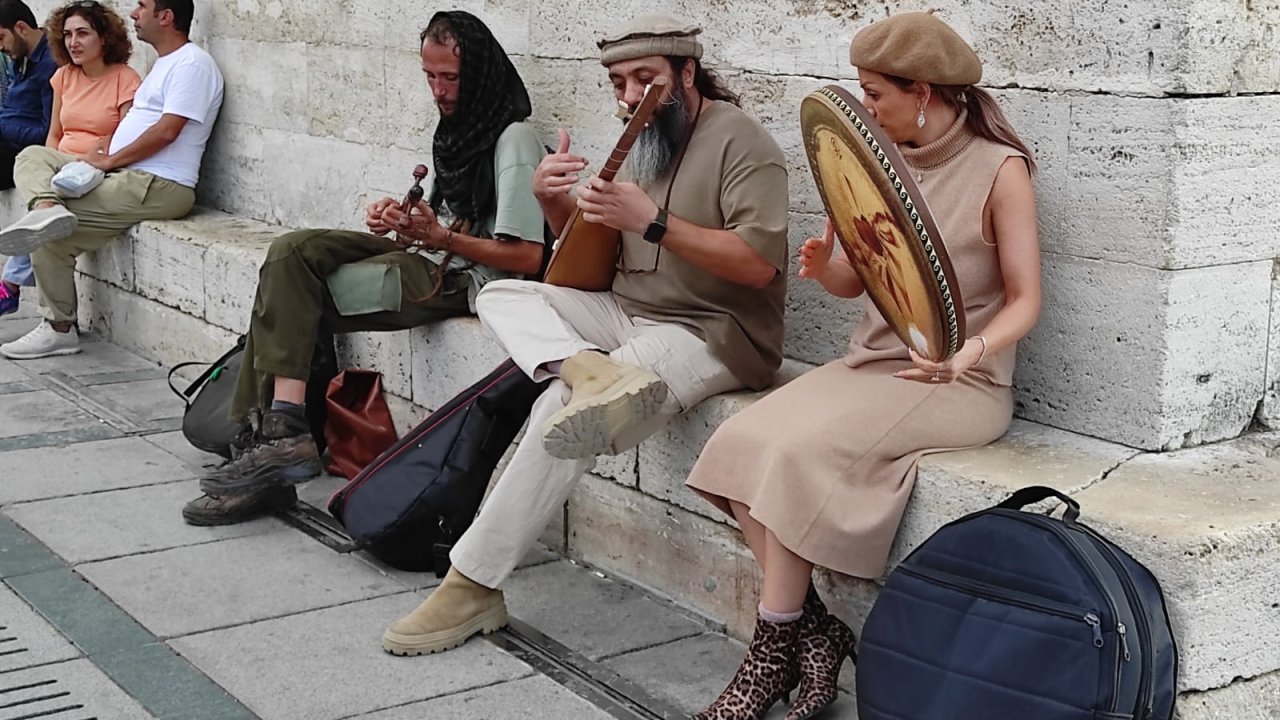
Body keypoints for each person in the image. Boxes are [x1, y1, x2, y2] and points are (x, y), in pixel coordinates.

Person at [381, 14, 790, 659]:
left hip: (712, 331)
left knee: (559, 411)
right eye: (618, 82)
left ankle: (471, 584)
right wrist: (555, 205)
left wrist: (653, 222)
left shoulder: (742, 140)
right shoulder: (646, 136)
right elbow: (591, 266)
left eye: (644, 80)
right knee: (501, 292)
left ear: (687, 73)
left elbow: (758, 264)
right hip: (625, 312)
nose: (629, 97)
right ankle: (584, 369)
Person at [683, 12, 1043, 720]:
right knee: (733, 446)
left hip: (958, 381)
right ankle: (814, 633)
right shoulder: (877, 162)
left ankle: (767, 658)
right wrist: (828, 270)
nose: (866, 108)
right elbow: (866, 280)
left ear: (924, 92)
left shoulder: (1001, 171)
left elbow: (1027, 300)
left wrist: (967, 352)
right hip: (872, 365)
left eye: (875, 94)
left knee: (788, 458)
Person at [186, 11, 547, 526]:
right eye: (430, 76)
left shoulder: (513, 139)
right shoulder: (458, 130)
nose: (440, 91)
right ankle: (285, 431)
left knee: (289, 297)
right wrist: (399, 220)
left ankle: (268, 446)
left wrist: (438, 237)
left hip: (465, 277)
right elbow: (440, 219)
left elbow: (527, 257)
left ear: (481, 74)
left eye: (451, 78)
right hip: (428, 252)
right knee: (290, 252)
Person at [0, 0, 222, 360]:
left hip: (159, 184)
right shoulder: (166, 64)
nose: (134, 13)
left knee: (47, 235)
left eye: (142, 6)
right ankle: (46, 207)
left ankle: (58, 330)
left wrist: (109, 161)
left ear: (166, 17)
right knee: (31, 159)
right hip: (130, 174)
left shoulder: (193, 64)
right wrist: (103, 154)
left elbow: (167, 132)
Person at [1, 0, 140, 318]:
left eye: (82, 34)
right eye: (67, 35)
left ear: (103, 38)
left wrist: (90, 160)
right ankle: (46, 210)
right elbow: (54, 133)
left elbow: (126, 137)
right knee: (32, 158)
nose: (73, 42)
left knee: (44, 187)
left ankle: (10, 283)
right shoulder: (64, 76)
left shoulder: (125, 79)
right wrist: (56, 162)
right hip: (62, 164)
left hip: (98, 167)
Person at [0, 0, 57, 316]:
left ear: (21, 28)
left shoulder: (51, 65)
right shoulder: (19, 56)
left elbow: (49, 133)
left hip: (28, 153)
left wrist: (2, 124)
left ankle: (9, 289)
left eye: (1, 38)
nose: (1, 48)